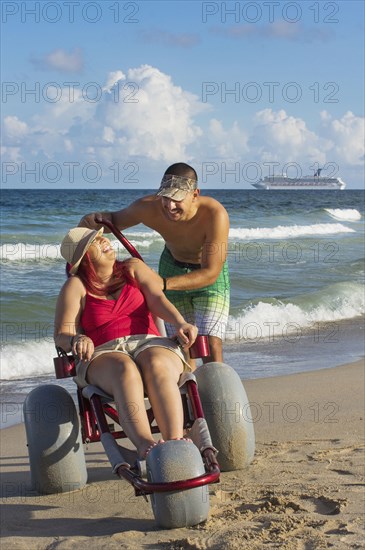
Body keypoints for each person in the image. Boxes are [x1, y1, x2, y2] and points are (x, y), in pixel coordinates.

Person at [54, 226, 198, 462]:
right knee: (125, 369)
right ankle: (145, 446)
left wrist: (180, 322)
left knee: (156, 362)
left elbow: (157, 299)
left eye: (102, 237)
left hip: (149, 342)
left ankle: (175, 443)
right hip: (104, 353)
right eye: (95, 242)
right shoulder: (76, 287)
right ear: (85, 258)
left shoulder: (132, 268)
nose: (104, 241)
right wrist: (76, 339)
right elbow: (61, 334)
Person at [79, 162, 230, 364]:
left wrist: (163, 284)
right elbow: (112, 220)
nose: (169, 206)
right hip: (171, 264)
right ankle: (189, 392)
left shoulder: (215, 214)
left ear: (195, 194)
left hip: (206, 273)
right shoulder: (148, 207)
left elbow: (211, 272)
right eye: (165, 197)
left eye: (177, 199)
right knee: (182, 341)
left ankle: (216, 391)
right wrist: (92, 220)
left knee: (210, 343)